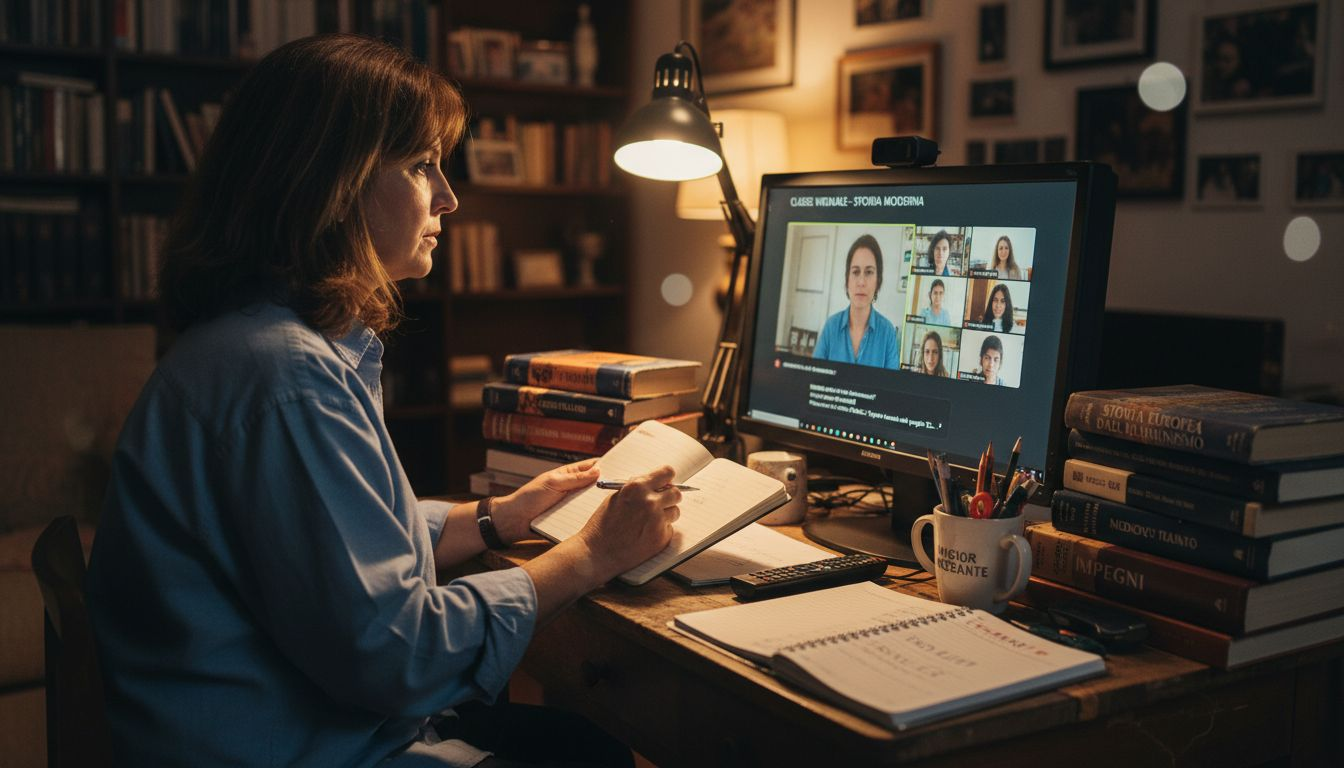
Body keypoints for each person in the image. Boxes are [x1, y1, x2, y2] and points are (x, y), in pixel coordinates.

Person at [86, 35, 673, 768]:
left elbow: (331, 552)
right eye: (423, 165)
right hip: (305, 749)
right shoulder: (286, 377)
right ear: (332, 182)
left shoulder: (259, 343)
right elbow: (399, 654)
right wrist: (591, 555)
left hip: (282, 725)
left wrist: (494, 518)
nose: (450, 197)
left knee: (580, 744)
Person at [813, 234, 901, 368]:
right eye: (855, 272)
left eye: (869, 272)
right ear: (847, 279)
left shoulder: (888, 333)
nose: (861, 282)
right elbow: (814, 377)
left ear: (878, 280)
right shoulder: (831, 327)